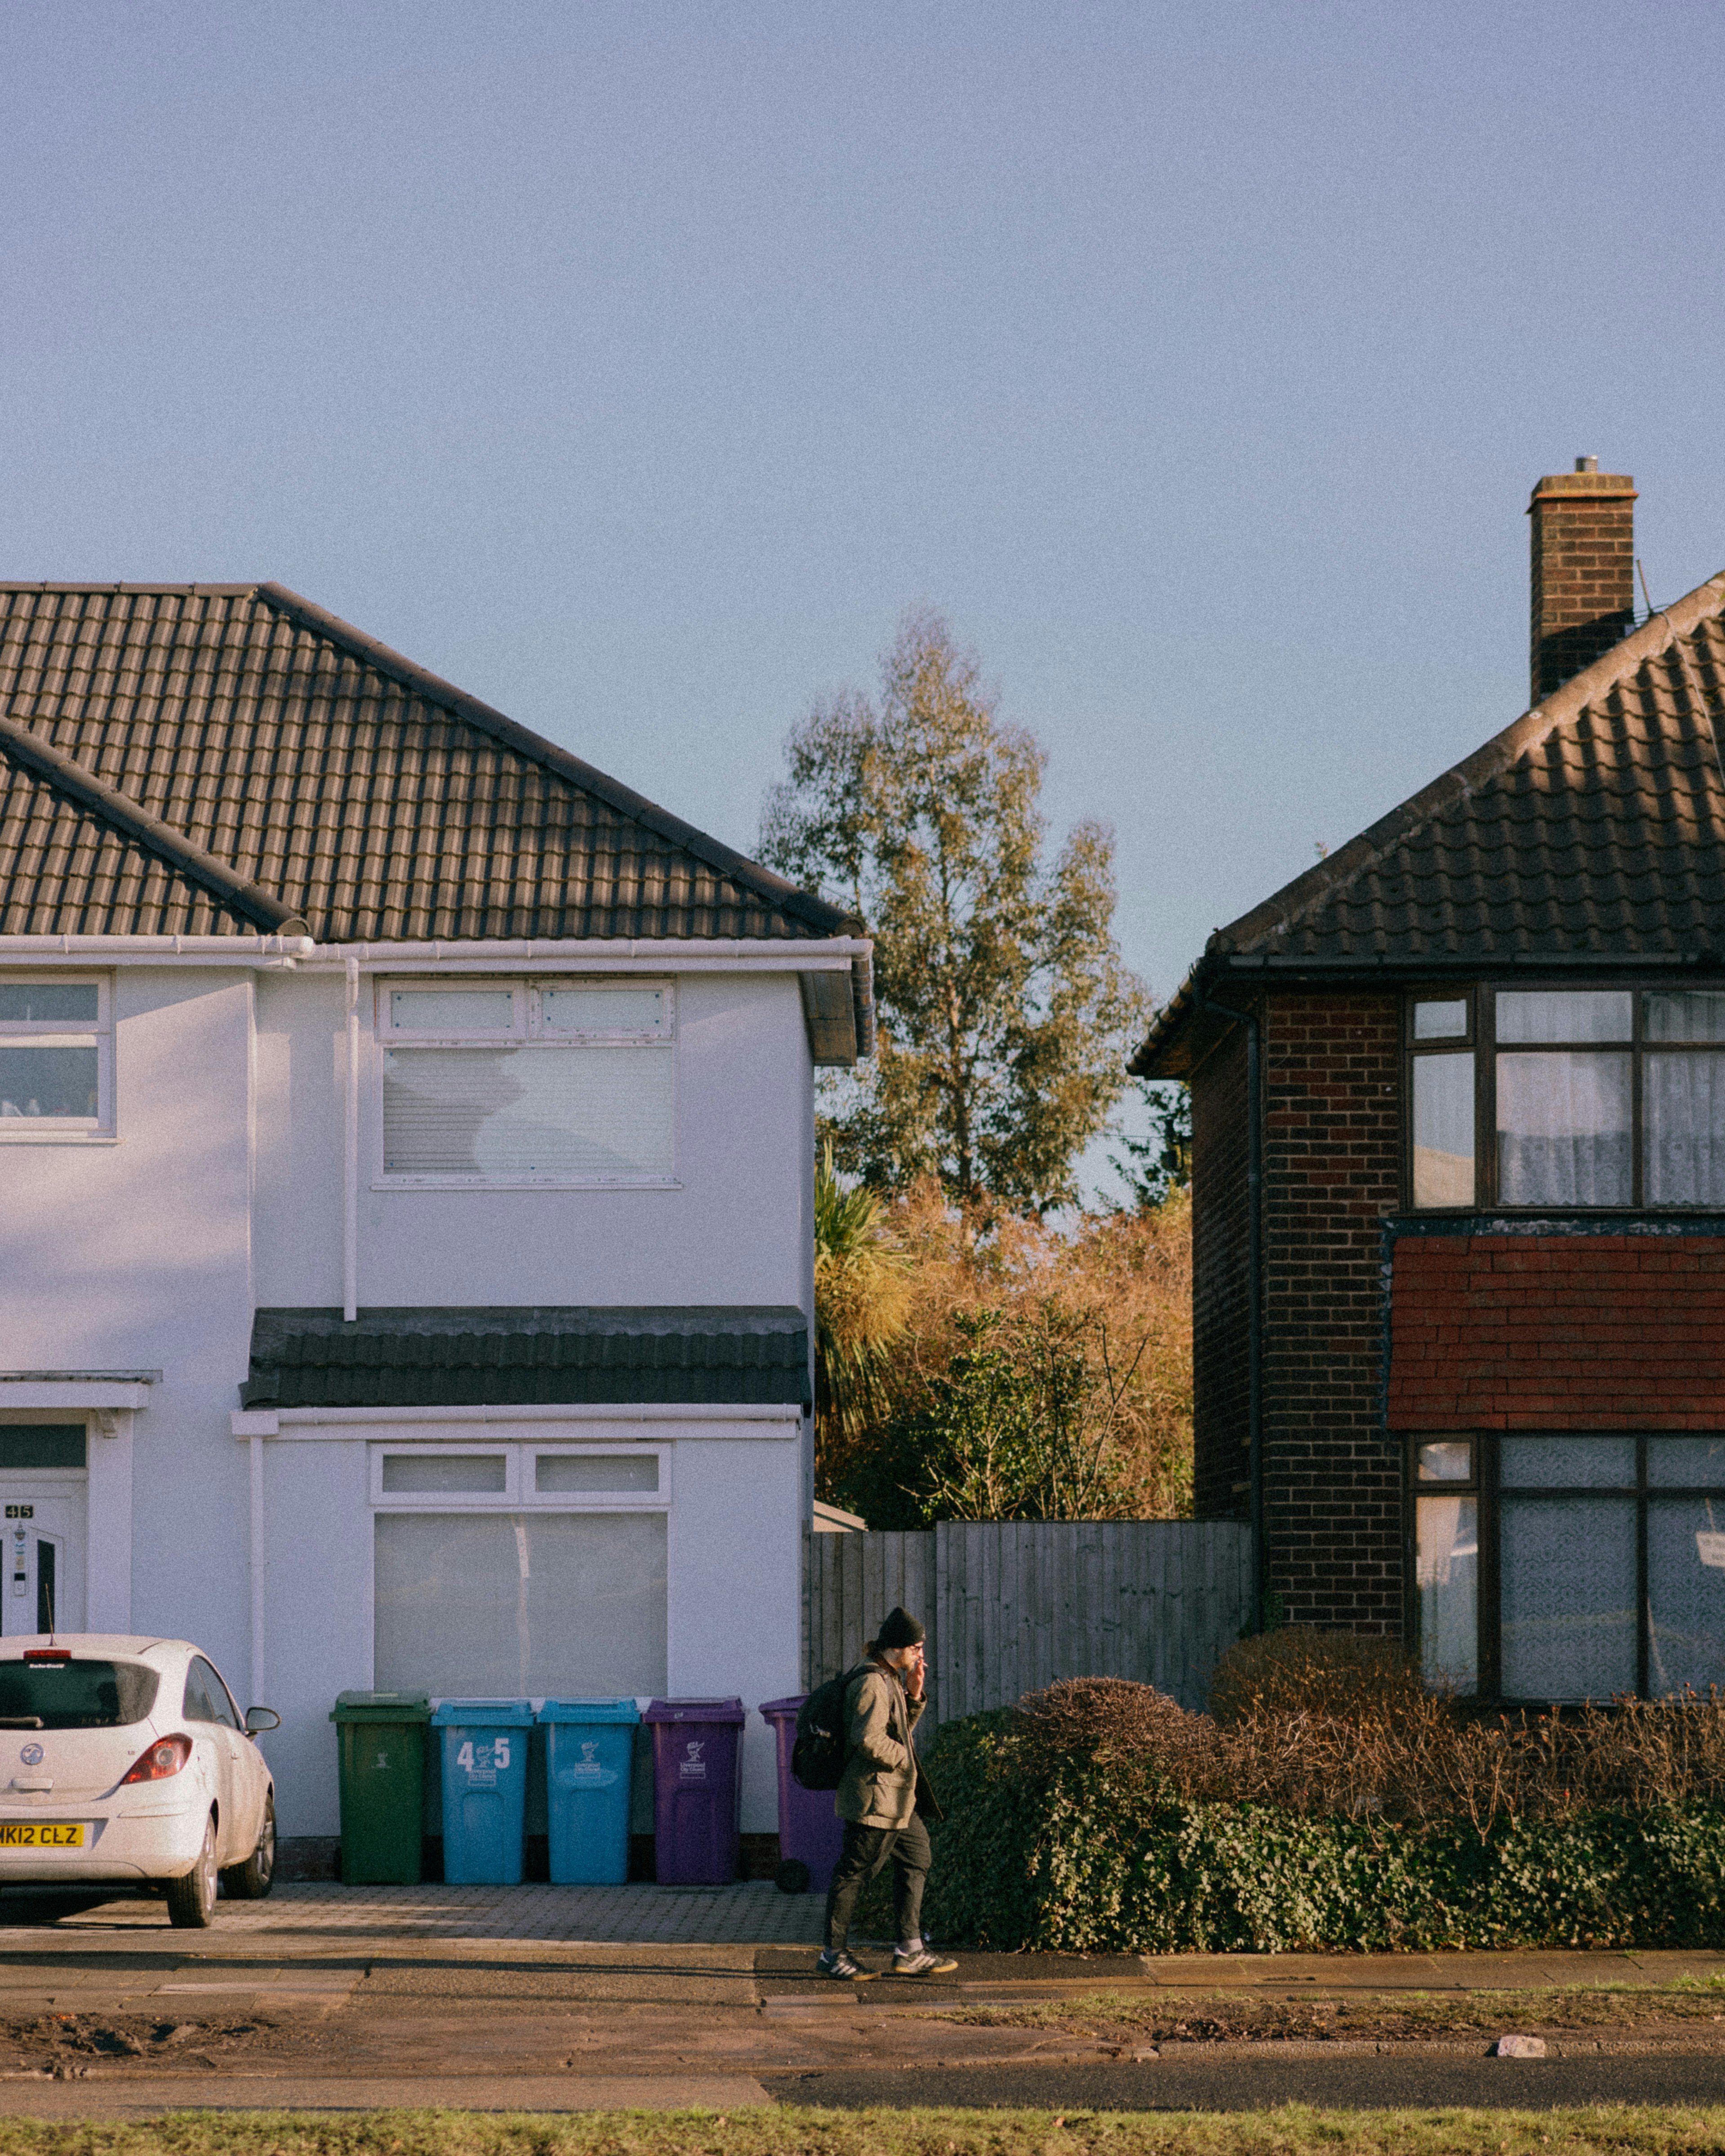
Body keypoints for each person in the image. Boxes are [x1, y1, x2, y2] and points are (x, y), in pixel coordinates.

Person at [816, 1605, 958, 1980]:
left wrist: (914, 1696)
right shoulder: (871, 1683)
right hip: (875, 1798)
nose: (921, 1654)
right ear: (896, 1647)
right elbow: (869, 1739)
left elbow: (898, 1730)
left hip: (898, 1800)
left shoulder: (892, 1679)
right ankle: (833, 1954)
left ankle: (910, 1949)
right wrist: (905, 1759)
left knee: (917, 1855)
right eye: (916, 1647)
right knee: (854, 1872)